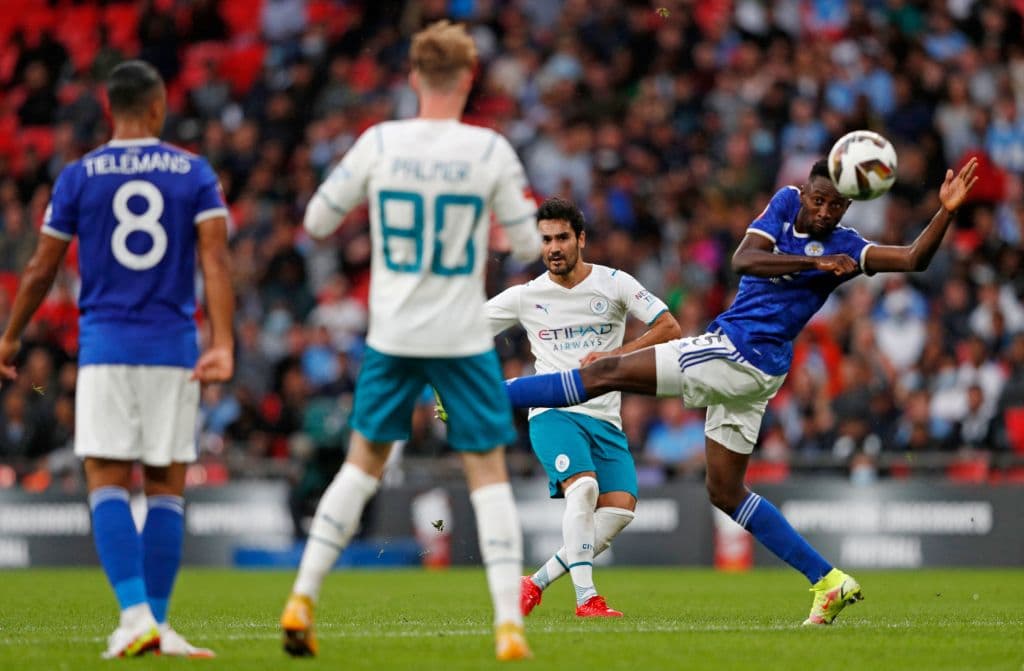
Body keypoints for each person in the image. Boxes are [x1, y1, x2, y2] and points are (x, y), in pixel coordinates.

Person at [503, 157, 979, 625]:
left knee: (605, 371)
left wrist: (947, 211)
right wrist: (813, 262)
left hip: (738, 353)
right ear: (806, 193)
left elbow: (914, 257)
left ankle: (492, 394)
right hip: (752, 368)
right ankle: (828, 581)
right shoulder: (786, 205)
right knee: (725, 490)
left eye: (836, 207)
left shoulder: (848, 248)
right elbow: (743, 259)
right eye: (819, 201)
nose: (825, 213)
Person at [278, 20, 541, 661]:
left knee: (361, 464)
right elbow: (531, 245)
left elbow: (315, 221)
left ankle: (302, 597)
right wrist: (497, 232)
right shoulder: (489, 151)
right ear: (470, 78)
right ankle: (509, 626)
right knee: (487, 474)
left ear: (414, 77)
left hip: (393, 332)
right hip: (459, 334)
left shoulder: (380, 142)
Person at [0, 60, 234, 657]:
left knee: (106, 480)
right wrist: (223, 342)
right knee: (165, 487)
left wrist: (9, 336)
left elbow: (41, 267)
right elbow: (216, 261)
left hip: (105, 348)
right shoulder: (193, 172)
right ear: (157, 108)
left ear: (111, 109)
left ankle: (136, 617)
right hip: (174, 348)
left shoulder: (80, 175)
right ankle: (156, 622)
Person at [484, 196, 680, 617]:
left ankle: (533, 584)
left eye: (562, 238)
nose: (553, 247)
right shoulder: (525, 295)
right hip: (553, 414)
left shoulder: (614, 283)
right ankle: (586, 598)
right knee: (585, 489)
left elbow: (669, 326)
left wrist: (620, 357)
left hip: (606, 419)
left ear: (581, 239)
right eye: (546, 240)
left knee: (620, 510)